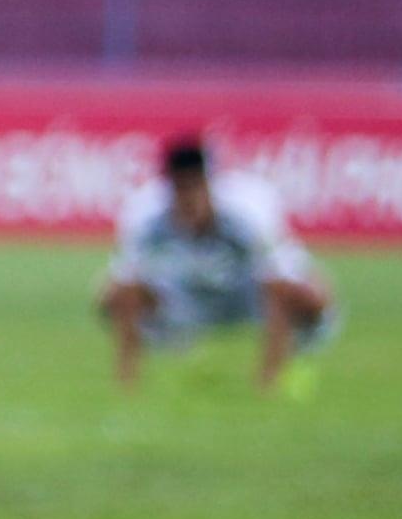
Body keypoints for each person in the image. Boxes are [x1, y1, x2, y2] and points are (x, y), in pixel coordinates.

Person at [100, 137, 336, 391]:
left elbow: (280, 281)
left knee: (307, 296)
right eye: (180, 189)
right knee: (113, 297)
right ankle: (157, 354)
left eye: (195, 187)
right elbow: (125, 284)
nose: (188, 199)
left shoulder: (248, 211)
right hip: (184, 293)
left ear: (210, 184)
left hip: (244, 292)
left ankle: (291, 360)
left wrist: (268, 379)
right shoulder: (145, 214)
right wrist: (127, 381)